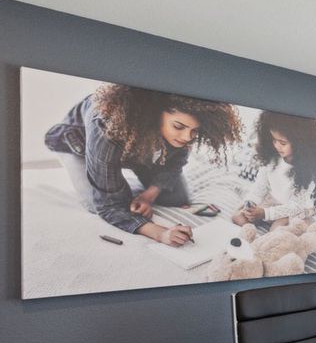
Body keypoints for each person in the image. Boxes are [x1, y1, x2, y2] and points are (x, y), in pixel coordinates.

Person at [45, 84, 242, 246]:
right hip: (76, 145)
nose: (187, 138)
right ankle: (114, 181)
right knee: (95, 203)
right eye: (179, 127)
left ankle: (118, 180)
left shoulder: (182, 131)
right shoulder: (107, 123)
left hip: (138, 149)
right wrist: (160, 234)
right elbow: (108, 206)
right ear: (155, 114)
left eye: (194, 132)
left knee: (176, 197)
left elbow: (176, 161)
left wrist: (149, 196)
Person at [233, 111, 316, 230]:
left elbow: (296, 206)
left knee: (277, 230)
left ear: (300, 143)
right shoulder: (271, 158)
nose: (277, 146)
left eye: (283, 143)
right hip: (271, 203)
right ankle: (253, 236)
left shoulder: (306, 169)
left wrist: (265, 213)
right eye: (273, 140)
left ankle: (314, 222)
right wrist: (251, 203)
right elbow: (260, 186)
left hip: (292, 209)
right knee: (238, 216)